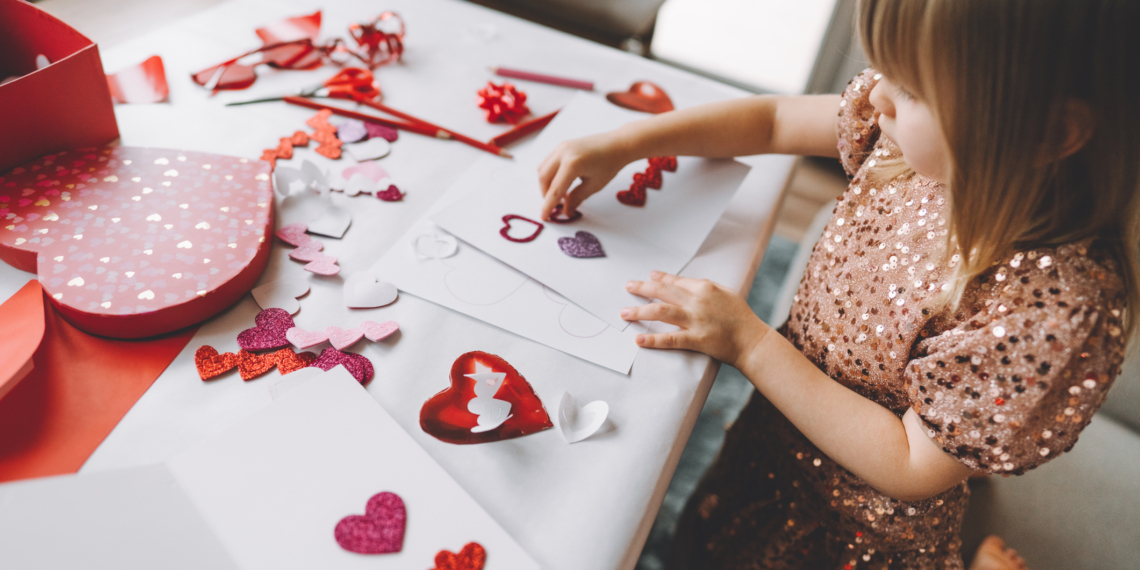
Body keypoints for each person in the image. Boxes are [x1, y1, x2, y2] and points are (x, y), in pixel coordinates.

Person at [535, 0, 1139, 567]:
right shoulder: (909, 138)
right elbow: (773, 120)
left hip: (858, 534)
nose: (875, 93)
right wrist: (628, 143)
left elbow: (910, 463)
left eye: (912, 86)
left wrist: (749, 344)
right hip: (773, 438)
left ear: (1048, 135)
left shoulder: (1050, 312)